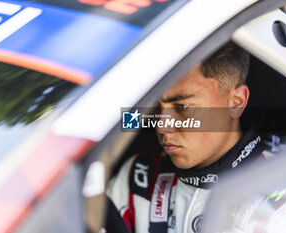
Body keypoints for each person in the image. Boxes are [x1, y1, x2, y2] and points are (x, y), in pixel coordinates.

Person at [104, 42, 275, 233]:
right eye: (155, 106)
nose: (161, 125)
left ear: (236, 102)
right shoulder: (137, 176)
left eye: (182, 107)